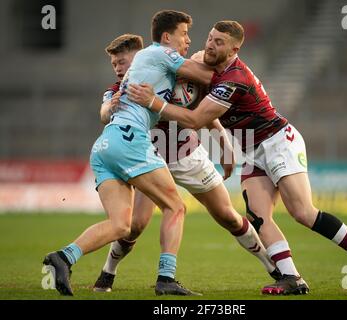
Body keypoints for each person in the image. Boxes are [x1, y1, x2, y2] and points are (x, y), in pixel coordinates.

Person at [128, 20, 347, 296]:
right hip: (252, 150)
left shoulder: (234, 80)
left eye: (219, 42)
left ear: (234, 49)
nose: (210, 45)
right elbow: (191, 69)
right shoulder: (204, 60)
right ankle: (291, 278)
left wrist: (153, 102)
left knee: (302, 212)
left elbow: (194, 120)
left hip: (277, 142)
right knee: (259, 217)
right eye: (210, 38)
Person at [42, 10, 218, 297]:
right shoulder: (161, 52)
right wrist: (222, 61)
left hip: (105, 146)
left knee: (121, 225)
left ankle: (63, 258)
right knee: (176, 207)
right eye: (184, 33)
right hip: (130, 140)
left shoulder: (143, 67)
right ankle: (166, 278)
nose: (187, 39)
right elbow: (205, 75)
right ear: (166, 37)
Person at [92, 33, 282, 293]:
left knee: (228, 216)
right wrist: (108, 109)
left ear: (141, 56)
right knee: (135, 225)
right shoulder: (121, 90)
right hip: (148, 157)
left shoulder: (176, 74)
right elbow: (104, 112)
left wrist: (224, 146)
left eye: (122, 63)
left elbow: (205, 112)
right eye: (114, 65)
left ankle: (274, 268)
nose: (118, 70)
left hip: (187, 155)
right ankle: (108, 273)